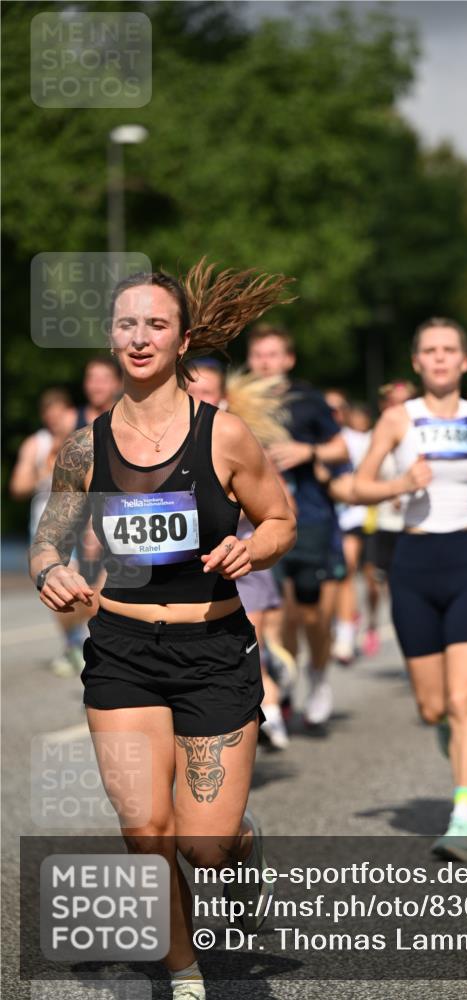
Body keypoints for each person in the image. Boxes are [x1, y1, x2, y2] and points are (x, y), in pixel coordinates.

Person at [30, 260, 296, 1000]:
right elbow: (49, 535)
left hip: (212, 649)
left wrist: (255, 545)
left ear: (182, 341)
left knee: (204, 844)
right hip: (121, 650)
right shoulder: (85, 446)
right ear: (112, 339)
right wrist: (49, 568)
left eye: (155, 324)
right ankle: (183, 975)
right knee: (146, 829)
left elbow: (280, 519)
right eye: (126, 325)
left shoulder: (226, 436)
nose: (139, 338)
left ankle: (243, 848)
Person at [354, 319, 467, 861]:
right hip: (414, 566)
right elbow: (357, 484)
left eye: (450, 350)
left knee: (460, 698)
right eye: (430, 350)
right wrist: (401, 485)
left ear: (464, 361)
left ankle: (463, 816)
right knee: (431, 707)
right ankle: (458, 750)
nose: (441, 358)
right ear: (417, 361)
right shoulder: (398, 418)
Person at [187, 358, 297, 749]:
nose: (197, 399)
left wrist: (249, 541)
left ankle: (265, 705)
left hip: (244, 568)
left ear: (224, 401)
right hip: (187, 578)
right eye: (191, 391)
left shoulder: (241, 445)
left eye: (207, 393)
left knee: (243, 646)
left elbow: (284, 516)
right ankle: (270, 677)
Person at [246, 325, 349, 726]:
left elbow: (341, 447)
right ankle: (279, 689)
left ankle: (318, 677)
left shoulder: (308, 400)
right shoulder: (238, 403)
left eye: (273, 355)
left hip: (309, 516)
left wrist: (307, 450)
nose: (265, 362)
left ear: (288, 360)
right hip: (257, 520)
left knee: (309, 613)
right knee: (271, 612)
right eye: (258, 355)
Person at [10, 388, 84, 674]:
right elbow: (17, 487)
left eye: (60, 414)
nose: (56, 421)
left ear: (70, 412)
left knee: (82, 582)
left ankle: (85, 641)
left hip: (80, 523)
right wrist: (42, 474)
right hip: (45, 527)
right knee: (55, 586)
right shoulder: (36, 444)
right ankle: (72, 644)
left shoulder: (83, 438)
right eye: (49, 416)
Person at [361, 380, 418, 657]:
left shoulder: (420, 433)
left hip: (410, 525)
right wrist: (391, 490)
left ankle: (407, 630)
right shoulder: (376, 435)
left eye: (404, 402)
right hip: (380, 522)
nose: (398, 408)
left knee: (401, 585)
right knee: (373, 582)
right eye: (393, 402)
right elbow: (362, 480)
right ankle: (372, 622)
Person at [324, 390, 372, 665]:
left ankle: (345, 633)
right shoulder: (314, 440)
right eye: (327, 409)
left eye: (337, 409)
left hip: (352, 516)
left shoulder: (355, 441)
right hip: (324, 519)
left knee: (348, 568)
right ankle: (337, 623)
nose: (333, 415)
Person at [74, 355, 122, 428]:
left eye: (104, 380)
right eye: (92, 379)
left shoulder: (131, 422)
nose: (97, 386)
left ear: (119, 384)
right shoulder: (70, 421)